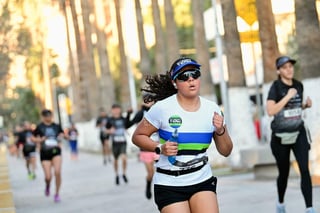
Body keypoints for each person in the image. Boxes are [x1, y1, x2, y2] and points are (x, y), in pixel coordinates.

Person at [132, 57, 233, 212]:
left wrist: (221, 131)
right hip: (169, 184)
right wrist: (160, 148)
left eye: (195, 74)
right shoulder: (162, 109)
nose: (191, 79)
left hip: (202, 179)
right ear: (175, 83)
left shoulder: (212, 109)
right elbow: (137, 136)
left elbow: (226, 151)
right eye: (184, 76)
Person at [266, 56, 316, 213]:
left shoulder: (298, 85)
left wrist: (305, 106)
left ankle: (310, 208)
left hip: (298, 133)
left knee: (305, 170)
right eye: (285, 67)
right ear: (278, 71)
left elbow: (293, 108)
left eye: (290, 66)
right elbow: (270, 111)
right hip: (280, 137)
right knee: (284, 173)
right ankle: (280, 203)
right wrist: (287, 95)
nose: (289, 69)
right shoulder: (275, 87)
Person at [128, 101, 159, 199]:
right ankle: (148, 186)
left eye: (151, 100)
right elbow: (127, 124)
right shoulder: (140, 113)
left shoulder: (159, 111)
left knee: (161, 172)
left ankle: (160, 191)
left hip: (158, 147)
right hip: (145, 148)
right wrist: (128, 114)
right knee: (151, 173)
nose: (149, 103)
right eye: (147, 101)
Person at [32, 109, 64, 203]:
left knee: (57, 172)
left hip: (56, 151)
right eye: (46, 116)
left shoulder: (56, 126)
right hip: (45, 153)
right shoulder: (39, 127)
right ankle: (48, 185)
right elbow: (32, 138)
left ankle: (57, 194)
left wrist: (61, 137)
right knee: (48, 176)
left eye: (49, 115)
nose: (48, 117)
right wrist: (40, 140)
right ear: (43, 117)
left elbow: (61, 133)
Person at [106, 103, 133, 185]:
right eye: (114, 109)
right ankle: (117, 174)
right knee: (116, 160)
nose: (116, 111)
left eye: (117, 109)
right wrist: (110, 131)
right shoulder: (110, 120)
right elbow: (106, 130)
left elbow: (127, 125)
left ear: (120, 110)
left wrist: (129, 114)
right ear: (112, 110)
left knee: (124, 158)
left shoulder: (123, 119)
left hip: (123, 142)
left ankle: (124, 173)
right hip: (115, 142)